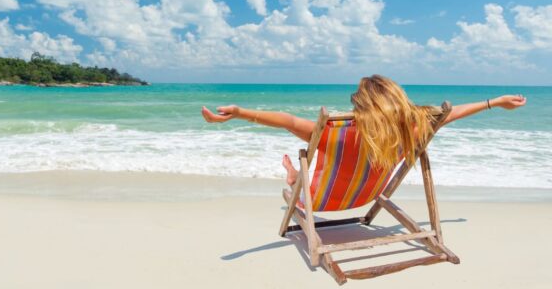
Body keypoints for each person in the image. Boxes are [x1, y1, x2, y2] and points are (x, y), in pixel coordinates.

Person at [201, 75, 526, 186]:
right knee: (313, 166)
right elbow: (450, 113)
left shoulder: (331, 132)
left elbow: (286, 119)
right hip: (369, 193)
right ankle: (294, 175)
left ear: (360, 104)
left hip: (323, 199)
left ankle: (293, 178)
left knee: (303, 172)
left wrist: (240, 113)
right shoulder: (413, 128)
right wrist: (495, 101)